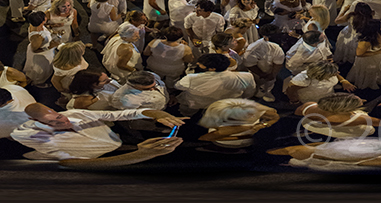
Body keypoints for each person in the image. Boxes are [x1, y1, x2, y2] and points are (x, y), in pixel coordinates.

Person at [10, 102, 185, 167]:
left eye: (59, 116)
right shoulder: (34, 136)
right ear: (37, 121)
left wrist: (155, 113)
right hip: (106, 160)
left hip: (121, 141)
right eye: (53, 123)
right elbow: (70, 163)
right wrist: (138, 155)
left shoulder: (76, 113)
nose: (64, 122)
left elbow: (118, 115)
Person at [197, 98, 280, 151]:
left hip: (222, 141)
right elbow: (275, 117)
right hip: (249, 140)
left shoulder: (216, 115)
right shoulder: (253, 112)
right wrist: (263, 125)